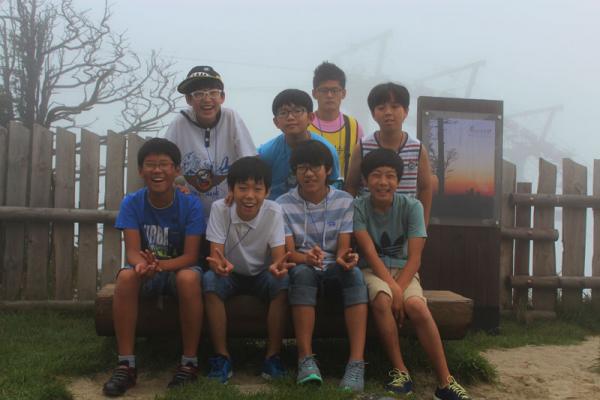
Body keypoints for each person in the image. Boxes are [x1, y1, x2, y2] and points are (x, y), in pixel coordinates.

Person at [353, 148, 471, 400]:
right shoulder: (358, 207)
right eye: (376, 175)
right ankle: (400, 372)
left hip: (405, 269)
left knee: (417, 305)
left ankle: (445, 381)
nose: (383, 182)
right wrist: (394, 290)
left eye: (390, 176)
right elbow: (370, 254)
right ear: (366, 180)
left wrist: (399, 288)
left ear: (398, 180)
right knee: (382, 299)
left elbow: (415, 257)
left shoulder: (412, 206)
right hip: (372, 270)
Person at [102, 138, 205, 397]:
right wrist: (142, 266)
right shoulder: (132, 202)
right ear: (140, 170)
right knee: (126, 277)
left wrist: (159, 265)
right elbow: (132, 252)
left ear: (177, 170)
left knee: (188, 279)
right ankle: (126, 364)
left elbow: (191, 256)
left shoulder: (191, 204)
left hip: (178, 269)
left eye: (164, 164)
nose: (157, 170)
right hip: (146, 270)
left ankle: (189, 363)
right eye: (150, 164)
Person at [276, 140, 368, 392]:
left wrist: (345, 259)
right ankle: (305, 359)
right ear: (295, 172)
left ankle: (356, 362)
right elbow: (288, 253)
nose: (308, 174)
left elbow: (343, 248)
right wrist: (306, 258)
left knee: (354, 275)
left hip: (332, 267)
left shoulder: (344, 201)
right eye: (301, 168)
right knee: (302, 274)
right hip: (303, 265)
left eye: (315, 167)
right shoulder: (282, 204)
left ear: (328, 170)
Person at [202, 156, 292, 383]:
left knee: (281, 281)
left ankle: (273, 357)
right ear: (231, 189)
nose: (250, 195)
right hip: (230, 275)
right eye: (242, 188)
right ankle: (221, 357)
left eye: (257, 189)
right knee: (210, 280)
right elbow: (215, 257)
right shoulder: (220, 209)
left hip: (262, 274)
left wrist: (277, 267)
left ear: (267, 192)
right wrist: (220, 266)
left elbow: (278, 258)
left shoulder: (274, 211)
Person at [165, 65, 256, 225]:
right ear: (189, 99)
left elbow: (250, 161)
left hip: (229, 211)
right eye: (198, 94)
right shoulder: (180, 122)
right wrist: (174, 186)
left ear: (222, 97)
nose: (206, 99)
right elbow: (164, 161)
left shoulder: (231, 117)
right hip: (189, 214)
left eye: (213, 92)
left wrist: (239, 190)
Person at [345, 82, 433, 225]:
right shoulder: (362, 147)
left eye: (395, 106)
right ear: (373, 114)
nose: (388, 112)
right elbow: (351, 186)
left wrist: (422, 225)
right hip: (367, 225)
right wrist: (348, 224)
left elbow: (425, 188)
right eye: (381, 108)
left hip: (404, 224)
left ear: (406, 111)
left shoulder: (417, 149)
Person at [258, 89, 341, 200]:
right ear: (276, 122)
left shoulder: (326, 150)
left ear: (310, 117)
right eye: (283, 113)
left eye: (297, 111)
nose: (290, 117)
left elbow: (333, 183)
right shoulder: (266, 153)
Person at [308, 62, 364, 180]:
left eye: (335, 90)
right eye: (324, 90)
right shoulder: (305, 125)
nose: (329, 95)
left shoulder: (354, 126)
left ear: (343, 93)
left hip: (345, 191)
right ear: (314, 93)